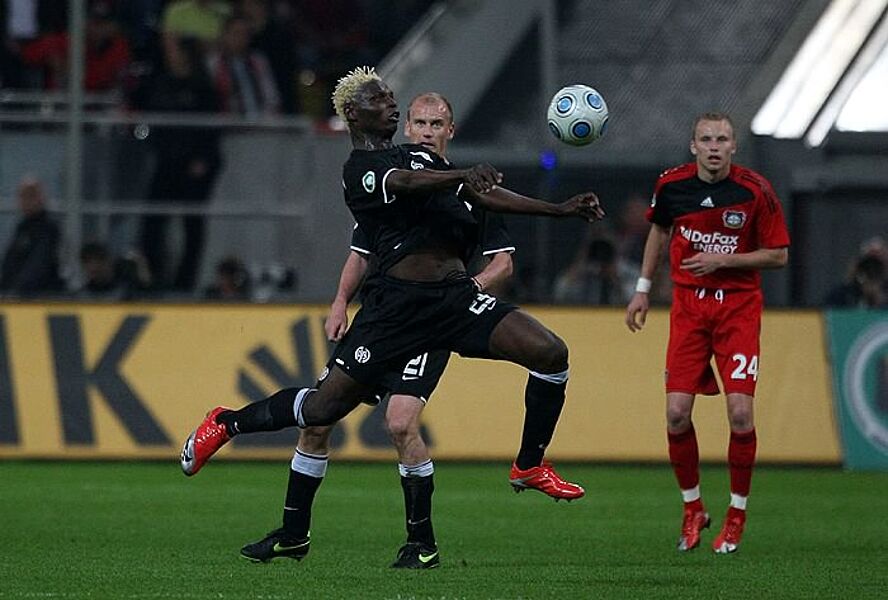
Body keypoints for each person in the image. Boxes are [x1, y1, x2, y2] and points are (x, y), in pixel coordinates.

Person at [180, 66, 604, 566]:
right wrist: (342, 299)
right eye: (380, 99)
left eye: (391, 97)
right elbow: (404, 184)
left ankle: (528, 466)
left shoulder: (423, 159)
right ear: (354, 113)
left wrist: (559, 210)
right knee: (319, 412)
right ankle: (227, 423)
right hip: (394, 311)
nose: (392, 104)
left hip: (453, 301)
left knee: (551, 353)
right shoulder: (361, 169)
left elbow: (477, 194)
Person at [294, 91, 516, 570]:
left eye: (438, 124)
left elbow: (502, 263)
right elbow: (361, 253)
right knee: (317, 421)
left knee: (399, 422)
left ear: (450, 131)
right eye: (420, 123)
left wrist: (464, 293)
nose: (428, 131)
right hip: (382, 319)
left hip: (433, 319)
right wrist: (340, 302)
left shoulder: (472, 189)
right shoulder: (392, 183)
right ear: (408, 129)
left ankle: (421, 542)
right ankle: (292, 533)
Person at [624, 112, 790, 554]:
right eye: (706, 139)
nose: (714, 147)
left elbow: (778, 255)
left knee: (741, 415)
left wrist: (724, 261)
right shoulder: (672, 186)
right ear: (693, 146)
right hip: (689, 309)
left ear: (734, 146)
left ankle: (736, 514)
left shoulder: (755, 190)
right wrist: (642, 289)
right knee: (676, 414)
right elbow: (659, 231)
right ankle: (693, 507)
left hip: (738, 308)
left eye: (722, 139)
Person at [139, 35, 221, 292]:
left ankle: (185, 283)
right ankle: (152, 277)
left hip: (194, 166)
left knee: (192, 224)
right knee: (152, 222)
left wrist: (203, 158)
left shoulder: (203, 87)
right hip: (167, 162)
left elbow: (211, 127)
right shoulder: (161, 83)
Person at [0, 176, 64, 296]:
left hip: (40, 297)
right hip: (15, 295)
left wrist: (17, 291)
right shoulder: (22, 228)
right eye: (23, 196)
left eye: (31, 196)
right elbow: (10, 262)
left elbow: (39, 264)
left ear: (42, 198)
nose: (27, 201)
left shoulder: (49, 228)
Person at [553, 232, 636, 305]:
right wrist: (579, 266)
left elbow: (634, 300)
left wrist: (615, 279)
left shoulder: (629, 271)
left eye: (605, 249)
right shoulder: (584, 270)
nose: (601, 253)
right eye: (597, 249)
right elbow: (560, 293)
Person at [77, 241, 152, 300]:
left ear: (109, 262)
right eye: (87, 261)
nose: (93, 266)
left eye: (100, 260)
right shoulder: (80, 297)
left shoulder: (127, 292)